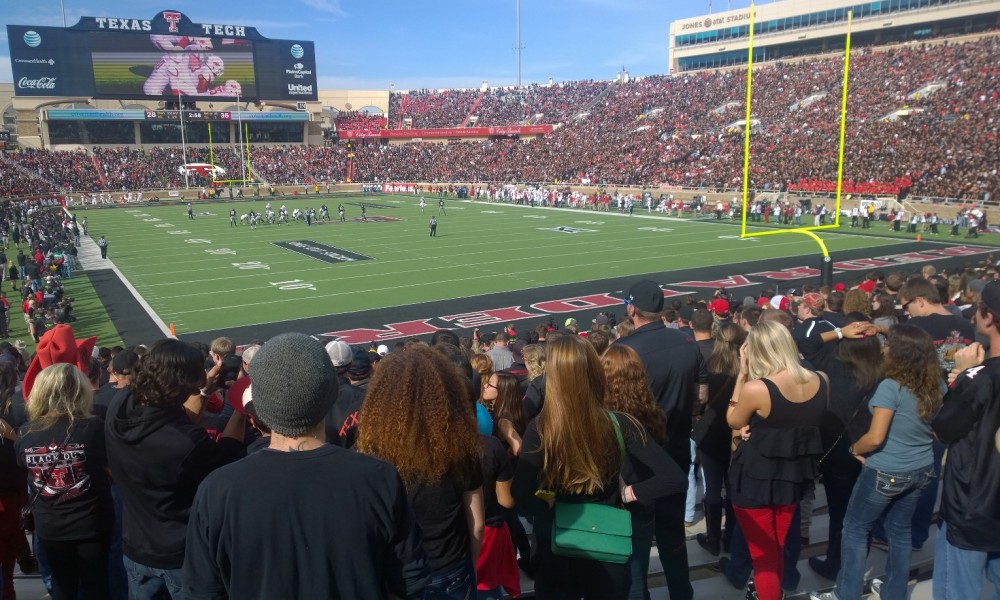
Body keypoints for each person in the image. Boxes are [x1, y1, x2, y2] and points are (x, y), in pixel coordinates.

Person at [183, 333, 430, 599]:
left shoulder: (218, 490)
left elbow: (202, 591)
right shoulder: (379, 478)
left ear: (258, 410)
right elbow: (408, 582)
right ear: (331, 394)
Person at [511, 334, 686, 599]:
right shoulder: (621, 423)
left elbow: (520, 491)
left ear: (553, 378)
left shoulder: (541, 428)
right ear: (594, 371)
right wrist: (630, 494)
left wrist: (544, 503)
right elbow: (673, 477)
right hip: (605, 544)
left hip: (559, 543)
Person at [105, 339, 246, 599]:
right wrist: (240, 403)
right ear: (183, 387)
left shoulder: (120, 406)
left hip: (137, 547)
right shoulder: (185, 443)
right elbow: (227, 452)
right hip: (181, 556)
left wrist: (202, 392)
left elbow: (168, 422)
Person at [817, 324, 941, 600]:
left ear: (899, 353)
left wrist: (853, 449)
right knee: (900, 531)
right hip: (921, 468)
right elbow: (936, 429)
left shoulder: (890, 387)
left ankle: (845, 593)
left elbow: (874, 438)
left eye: (888, 346)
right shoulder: (935, 383)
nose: (883, 349)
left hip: (887, 470)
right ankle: (894, 591)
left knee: (855, 529)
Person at [357, 346, 485, 599]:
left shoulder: (369, 454)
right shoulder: (462, 448)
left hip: (398, 576)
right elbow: (477, 525)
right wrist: (472, 568)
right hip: (451, 568)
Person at [614, 279, 705, 600]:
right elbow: (700, 397)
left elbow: (614, 409)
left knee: (637, 548)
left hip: (639, 462)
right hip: (676, 451)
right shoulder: (686, 343)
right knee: (673, 539)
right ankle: (682, 593)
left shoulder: (625, 351)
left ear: (632, 308)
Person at [727, 320, 826, 600]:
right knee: (777, 549)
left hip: (754, 480)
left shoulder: (756, 389)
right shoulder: (821, 379)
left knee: (764, 558)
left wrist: (741, 374)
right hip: (793, 478)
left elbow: (733, 419)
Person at [16, 363, 113, 600]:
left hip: (51, 526)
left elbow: (25, 467)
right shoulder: (93, 427)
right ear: (78, 391)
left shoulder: (25, 433)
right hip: (91, 522)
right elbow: (113, 470)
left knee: (62, 586)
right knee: (96, 585)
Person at [930, 280, 1000, 600]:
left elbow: (943, 429)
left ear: (987, 317)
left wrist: (963, 377)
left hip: (973, 510)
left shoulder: (979, 377)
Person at [601, 343, 671, 600]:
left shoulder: (607, 419)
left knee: (627, 581)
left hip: (619, 508)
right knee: (637, 574)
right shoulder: (654, 414)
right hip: (642, 507)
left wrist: (629, 493)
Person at [695, 323, 746, 557]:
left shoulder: (707, 369)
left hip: (711, 433)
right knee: (733, 487)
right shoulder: (745, 372)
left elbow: (698, 402)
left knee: (713, 487)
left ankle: (714, 538)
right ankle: (730, 536)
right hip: (736, 434)